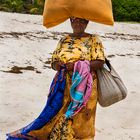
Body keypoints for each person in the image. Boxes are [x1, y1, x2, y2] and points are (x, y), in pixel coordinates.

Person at [6, 17, 105, 140]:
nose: (78, 24)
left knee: (82, 116)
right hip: (63, 84)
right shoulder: (64, 39)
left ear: (87, 23)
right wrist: (56, 65)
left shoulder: (93, 40)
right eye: (75, 21)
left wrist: (76, 66)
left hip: (84, 86)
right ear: (71, 22)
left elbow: (100, 62)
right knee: (59, 113)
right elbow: (53, 61)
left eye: (82, 21)